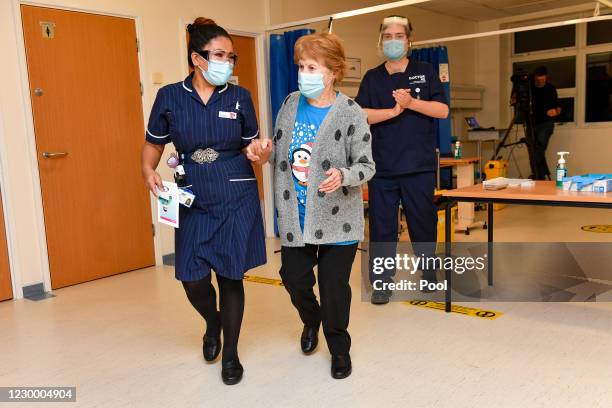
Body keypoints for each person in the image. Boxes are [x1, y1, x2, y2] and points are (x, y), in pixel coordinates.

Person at [140, 17, 266, 385]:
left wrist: (260, 152)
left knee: (230, 275)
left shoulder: (240, 97)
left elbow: (251, 145)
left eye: (232, 56)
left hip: (236, 192)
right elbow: (153, 145)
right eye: (219, 55)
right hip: (191, 193)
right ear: (197, 58)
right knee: (192, 279)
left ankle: (231, 354)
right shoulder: (170, 97)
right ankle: (213, 323)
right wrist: (149, 171)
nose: (227, 62)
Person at [248, 32, 375, 379]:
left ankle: (338, 348)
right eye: (301, 66)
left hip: (339, 220)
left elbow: (367, 165)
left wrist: (345, 175)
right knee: (294, 278)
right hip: (296, 216)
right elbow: (278, 149)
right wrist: (264, 153)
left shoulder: (351, 112)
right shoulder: (290, 103)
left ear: (333, 71)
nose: (304, 73)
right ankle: (310, 319)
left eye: (312, 67)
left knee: (334, 289)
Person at [355, 16, 449, 305]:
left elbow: (442, 111)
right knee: (382, 227)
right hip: (382, 167)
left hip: (418, 166)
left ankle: (429, 274)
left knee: (423, 222)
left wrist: (411, 104)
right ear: (381, 41)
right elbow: (360, 115)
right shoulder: (372, 77)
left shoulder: (426, 71)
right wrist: (394, 112)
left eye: (399, 35)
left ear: (409, 41)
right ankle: (382, 283)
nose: (393, 40)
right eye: (388, 36)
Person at [528, 66, 561, 180]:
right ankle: (540, 177)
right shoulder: (530, 88)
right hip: (531, 124)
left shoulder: (550, 89)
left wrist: (555, 111)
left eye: (543, 80)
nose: (541, 82)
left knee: (538, 150)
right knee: (533, 152)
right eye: (538, 80)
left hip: (545, 124)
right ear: (535, 78)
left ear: (546, 77)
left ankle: (538, 177)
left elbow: (558, 107)